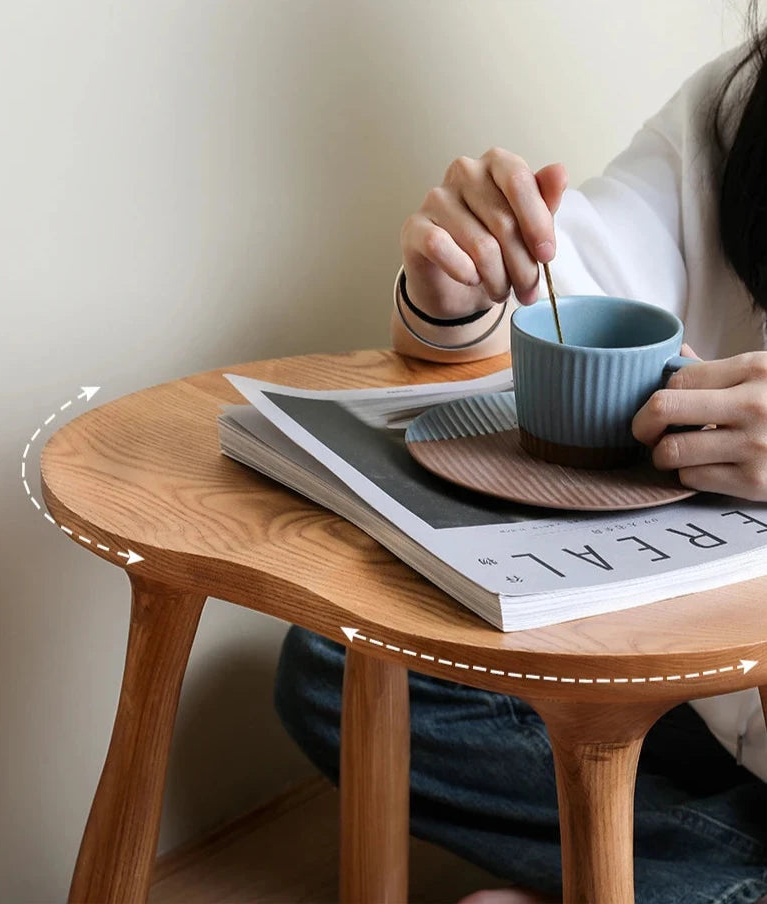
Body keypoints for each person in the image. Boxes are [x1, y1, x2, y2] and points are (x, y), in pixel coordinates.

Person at [275, 7, 767, 902]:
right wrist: (462, 289)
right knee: (343, 664)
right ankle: (666, 871)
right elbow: (570, 290)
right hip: (713, 689)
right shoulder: (736, 106)